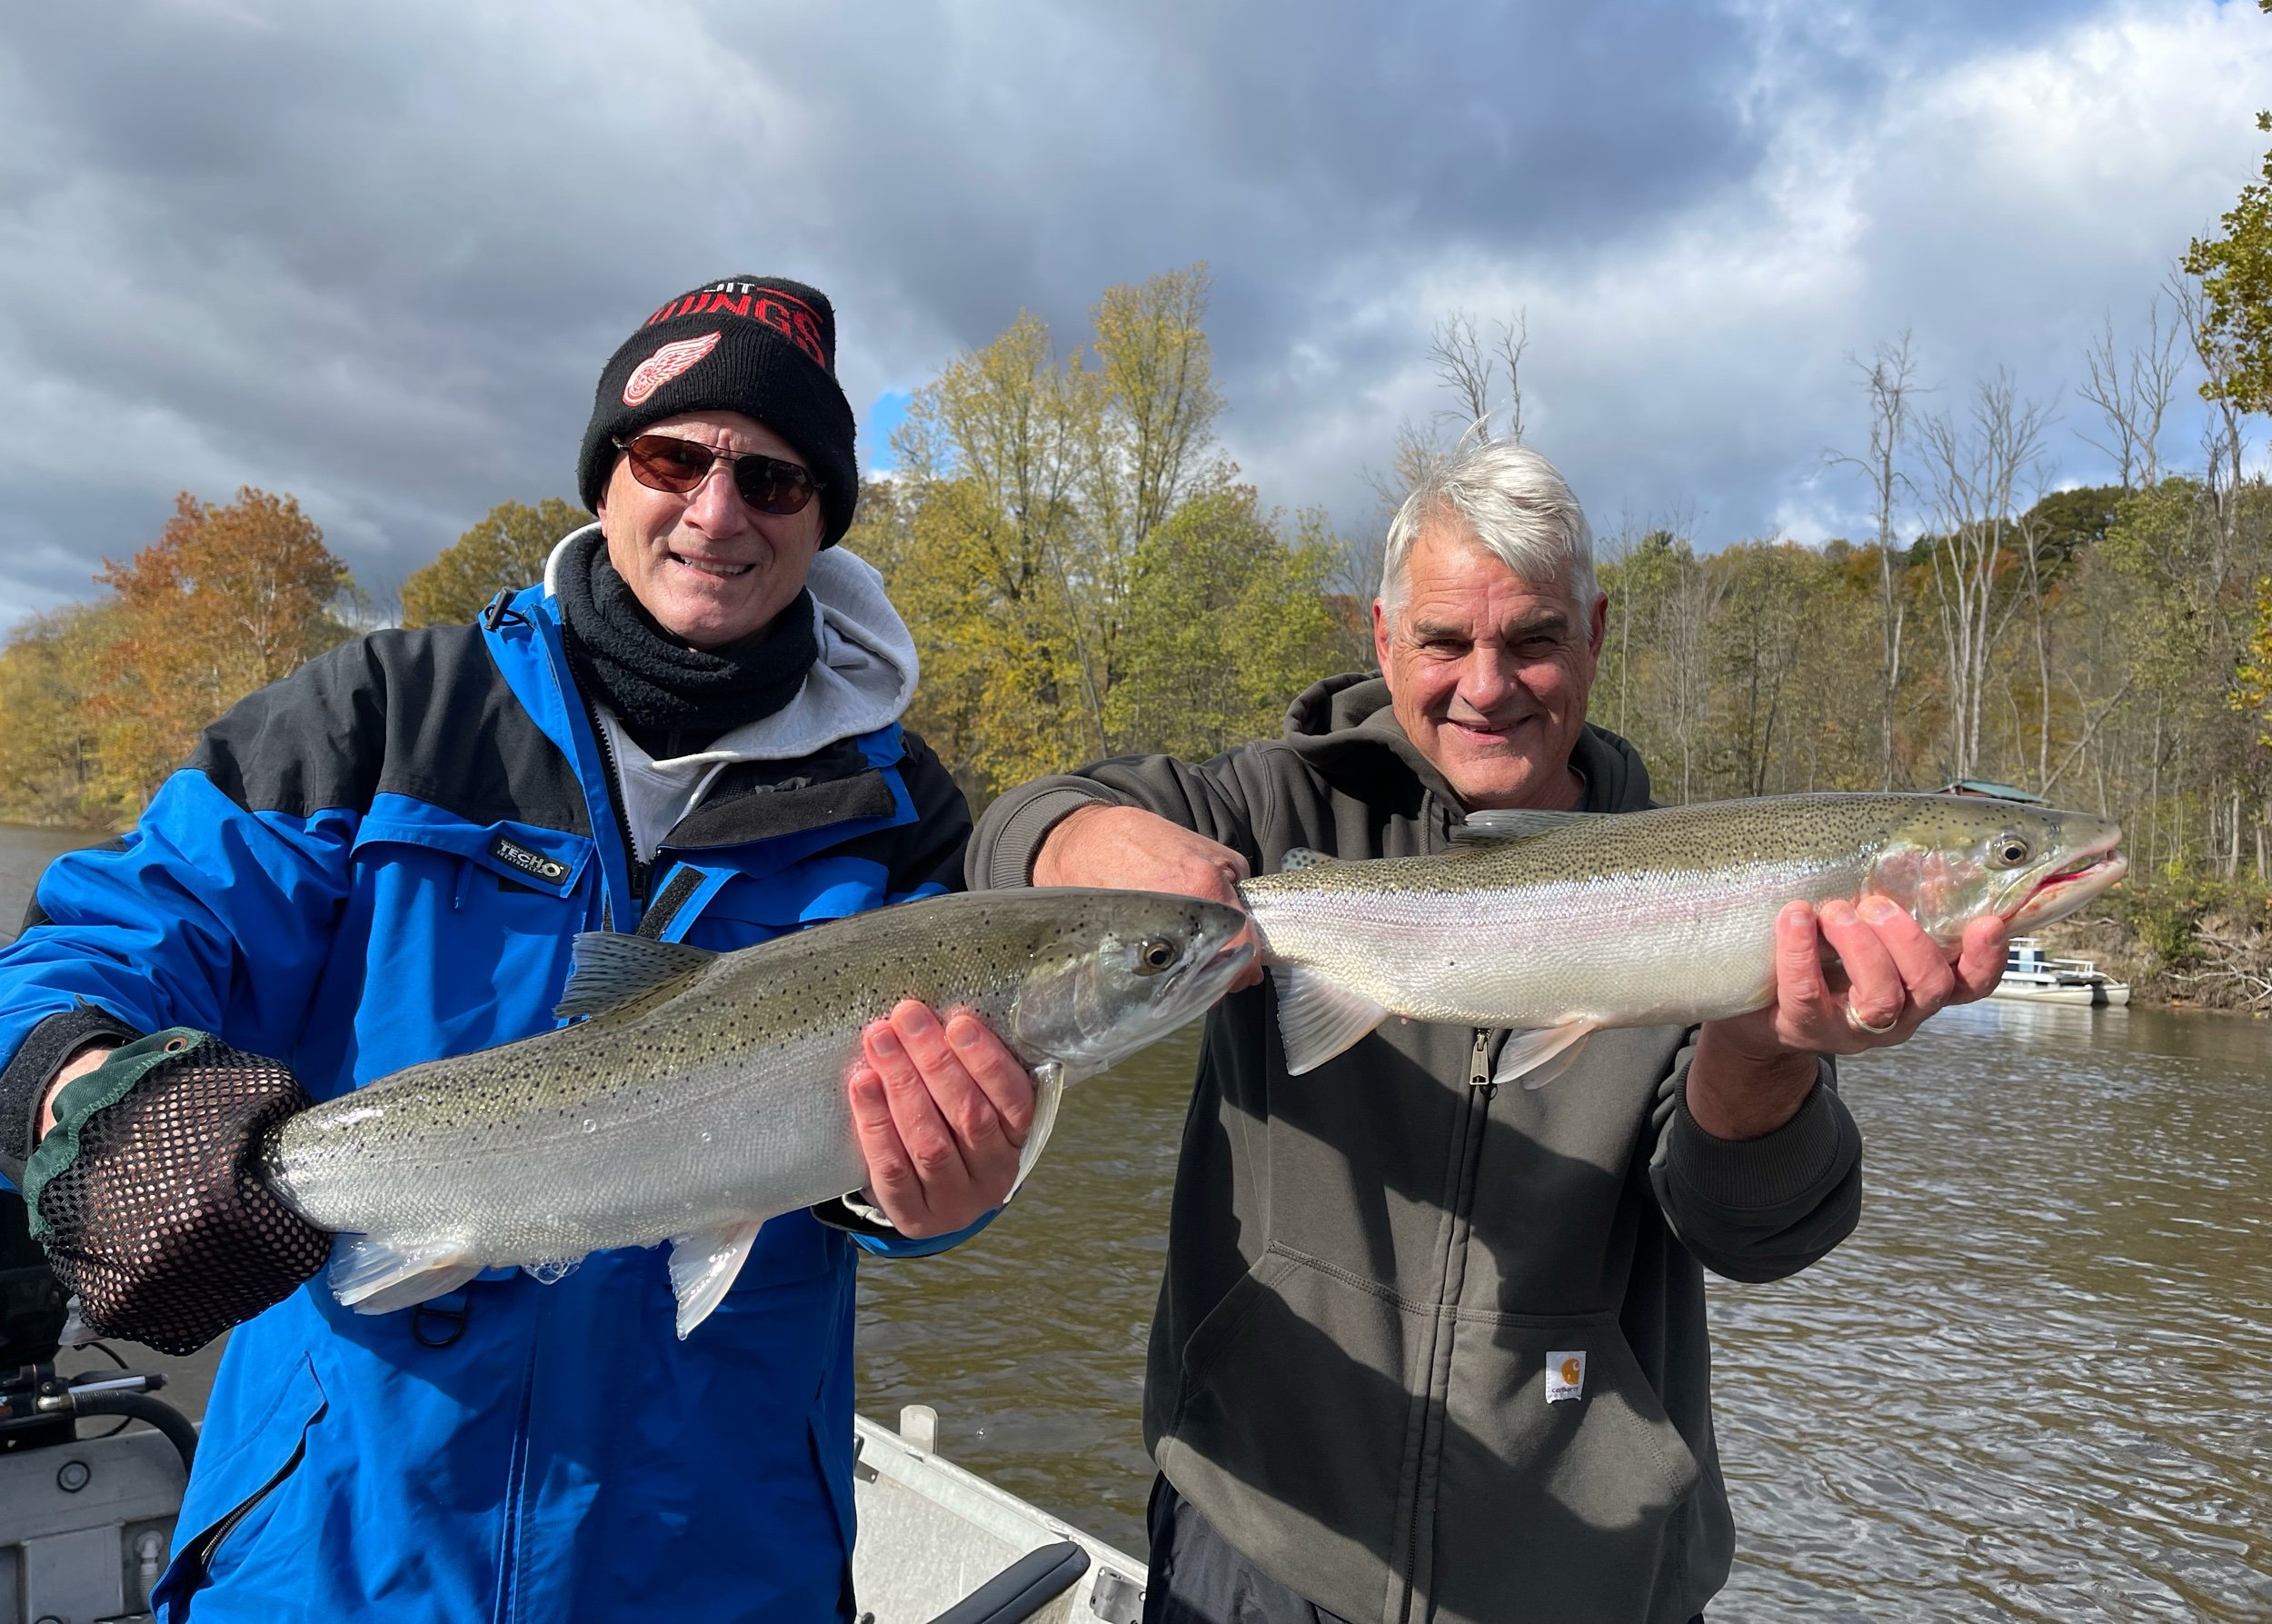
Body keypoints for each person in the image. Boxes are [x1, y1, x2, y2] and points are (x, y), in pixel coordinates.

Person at [0, 275, 1037, 1624]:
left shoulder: (905, 815)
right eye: (673, 458)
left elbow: (878, 1175)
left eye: (775, 481)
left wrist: (929, 1201)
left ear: (823, 518)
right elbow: (85, 951)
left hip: (717, 1559)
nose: (717, 512)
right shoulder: (381, 713)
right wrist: (90, 1088)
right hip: (336, 1549)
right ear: (607, 475)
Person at [966, 439, 2012, 1624]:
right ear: (1381, 638)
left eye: (1532, 641)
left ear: (1597, 636)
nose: (1487, 686)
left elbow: (1755, 1233)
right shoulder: (1275, 809)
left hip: (1584, 1580)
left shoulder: (1701, 890)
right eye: (1445, 643)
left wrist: (1761, 1046)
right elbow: (1016, 828)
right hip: (1258, 1539)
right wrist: (1085, 851)